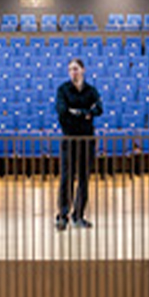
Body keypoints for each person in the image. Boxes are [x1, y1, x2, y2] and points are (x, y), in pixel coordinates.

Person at [53, 57, 102, 230]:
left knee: (83, 178)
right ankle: (62, 215)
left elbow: (99, 109)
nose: (73, 72)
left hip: (86, 140)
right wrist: (85, 114)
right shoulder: (63, 90)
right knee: (66, 177)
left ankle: (78, 215)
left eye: (76, 69)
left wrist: (77, 112)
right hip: (69, 139)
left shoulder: (91, 91)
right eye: (70, 69)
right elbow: (62, 111)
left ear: (83, 70)